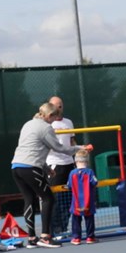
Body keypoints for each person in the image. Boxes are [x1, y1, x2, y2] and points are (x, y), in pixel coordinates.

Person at [9, 101, 86, 248]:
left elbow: (33, 149)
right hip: (30, 168)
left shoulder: (28, 124)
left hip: (16, 167)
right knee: (48, 198)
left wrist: (45, 168)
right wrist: (79, 148)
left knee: (29, 199)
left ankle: (32, 237)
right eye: (54, 117)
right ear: (50, 115)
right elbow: (59, 148)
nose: (54, 120)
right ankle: (45, 236)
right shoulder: (46, 128)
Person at [45, 96, 77, 237]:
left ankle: (64, 228)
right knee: (55, 199)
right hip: (55, 165)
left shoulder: (68, 122)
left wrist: (77, 156)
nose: (58, 108)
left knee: (69, 198)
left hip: (69, 164)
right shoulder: (47, 125)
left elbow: (72, 141)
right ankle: (54, 229)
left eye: (60, 105)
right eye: (55, 106)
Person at [66, 148, 98, 245]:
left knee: (76, 220)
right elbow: (95, 182)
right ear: (87, 161)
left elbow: (69, 185)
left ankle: (76, 238)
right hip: (88, 200)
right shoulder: (89, 172)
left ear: (76, 161)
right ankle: (90, 237)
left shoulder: (72, 173)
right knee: (89, 220)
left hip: (76, 202)